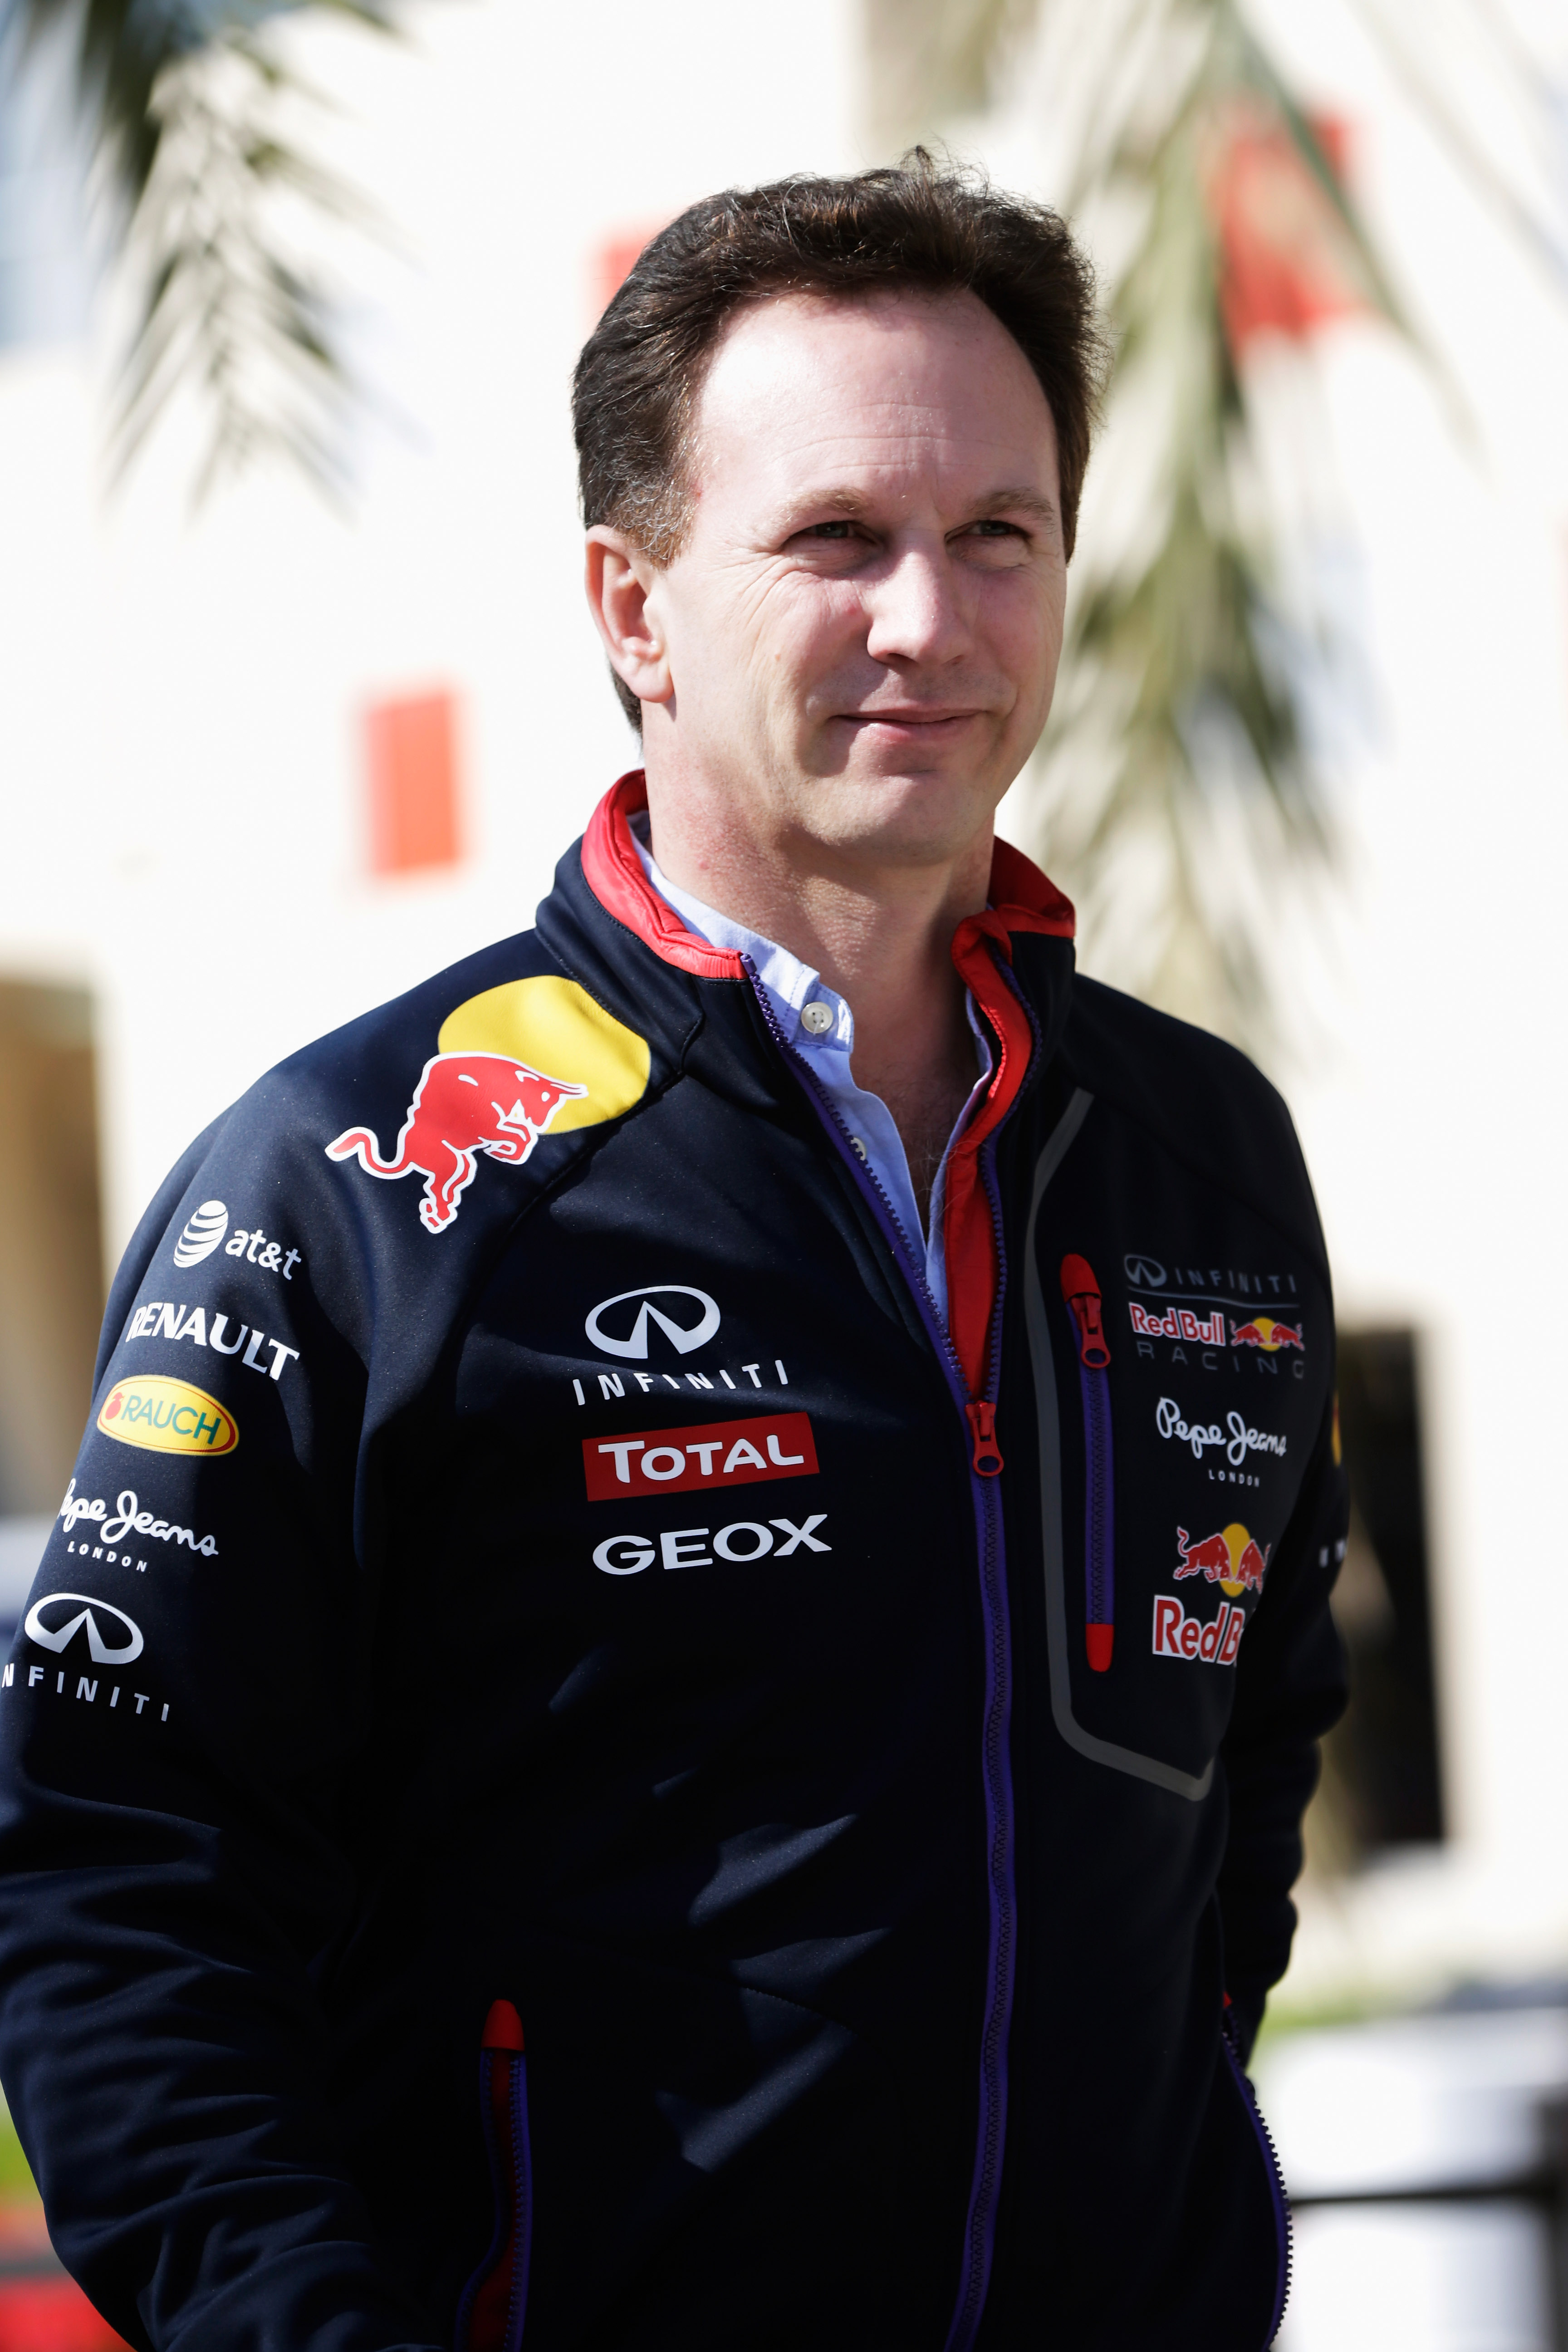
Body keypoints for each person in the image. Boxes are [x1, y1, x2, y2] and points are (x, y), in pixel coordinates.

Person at [0, 158, 1347, 2352]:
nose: (931, 619)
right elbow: (118, 1880)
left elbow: (1245, 1747)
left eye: (998, 534)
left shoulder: (1200, 1155)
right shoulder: (361, 1186)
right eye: (836, 539)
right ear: (632, 608)